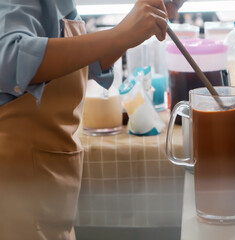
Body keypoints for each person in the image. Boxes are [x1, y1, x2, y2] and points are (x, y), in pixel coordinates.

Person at [0, 0, 184, 239]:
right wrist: (120, 34)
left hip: (47, 185)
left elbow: (81, 61)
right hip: (15, 189)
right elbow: (12, 59)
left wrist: (131, 33)